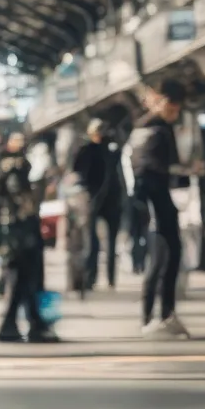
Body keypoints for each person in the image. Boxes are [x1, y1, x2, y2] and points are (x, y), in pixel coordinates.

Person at [130, 79, 190, 338]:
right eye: (173, 107)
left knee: (167, 256)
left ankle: (161, 315)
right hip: (157, 202)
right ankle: (157, 317)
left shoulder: (144, 127)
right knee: (163, 258)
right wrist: (182, 171)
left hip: (154, 201)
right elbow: (149, 167)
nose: (174, 113)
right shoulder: (157, 129)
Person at [0, 132, 58, 343]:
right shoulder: (15, 168)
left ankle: (21, 324)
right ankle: (27, 325)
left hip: (17, 234)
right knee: (25, 280)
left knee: (23, 282)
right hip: (20, 234)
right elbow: (18, 200)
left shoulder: (6, 167)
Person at [72, 118, 123, 290]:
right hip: (93, 199)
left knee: (111, 243)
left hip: (111, 200)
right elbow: (78, 173)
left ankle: (110, 278)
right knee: (91, 241)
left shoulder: (112, 150)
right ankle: (90, 278)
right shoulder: (86, 150)